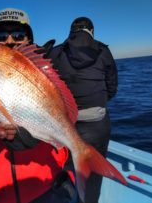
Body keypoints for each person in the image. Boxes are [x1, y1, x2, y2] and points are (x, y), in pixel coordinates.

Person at [0, 8, 77, 203]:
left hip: (44, 185)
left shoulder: (43, 76)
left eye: (19, 35)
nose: (10, 41)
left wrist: (37, 135)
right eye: (1, 36)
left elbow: (61, 135)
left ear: (29, 39)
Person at [47, 17, 118, 203]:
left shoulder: (56, 52)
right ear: (91, 31)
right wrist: (100, 101)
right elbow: (112, 86)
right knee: (93, 175)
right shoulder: (103, 50)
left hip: (64, 122)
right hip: (97, 124)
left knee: (65, 167)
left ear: (71, 31)